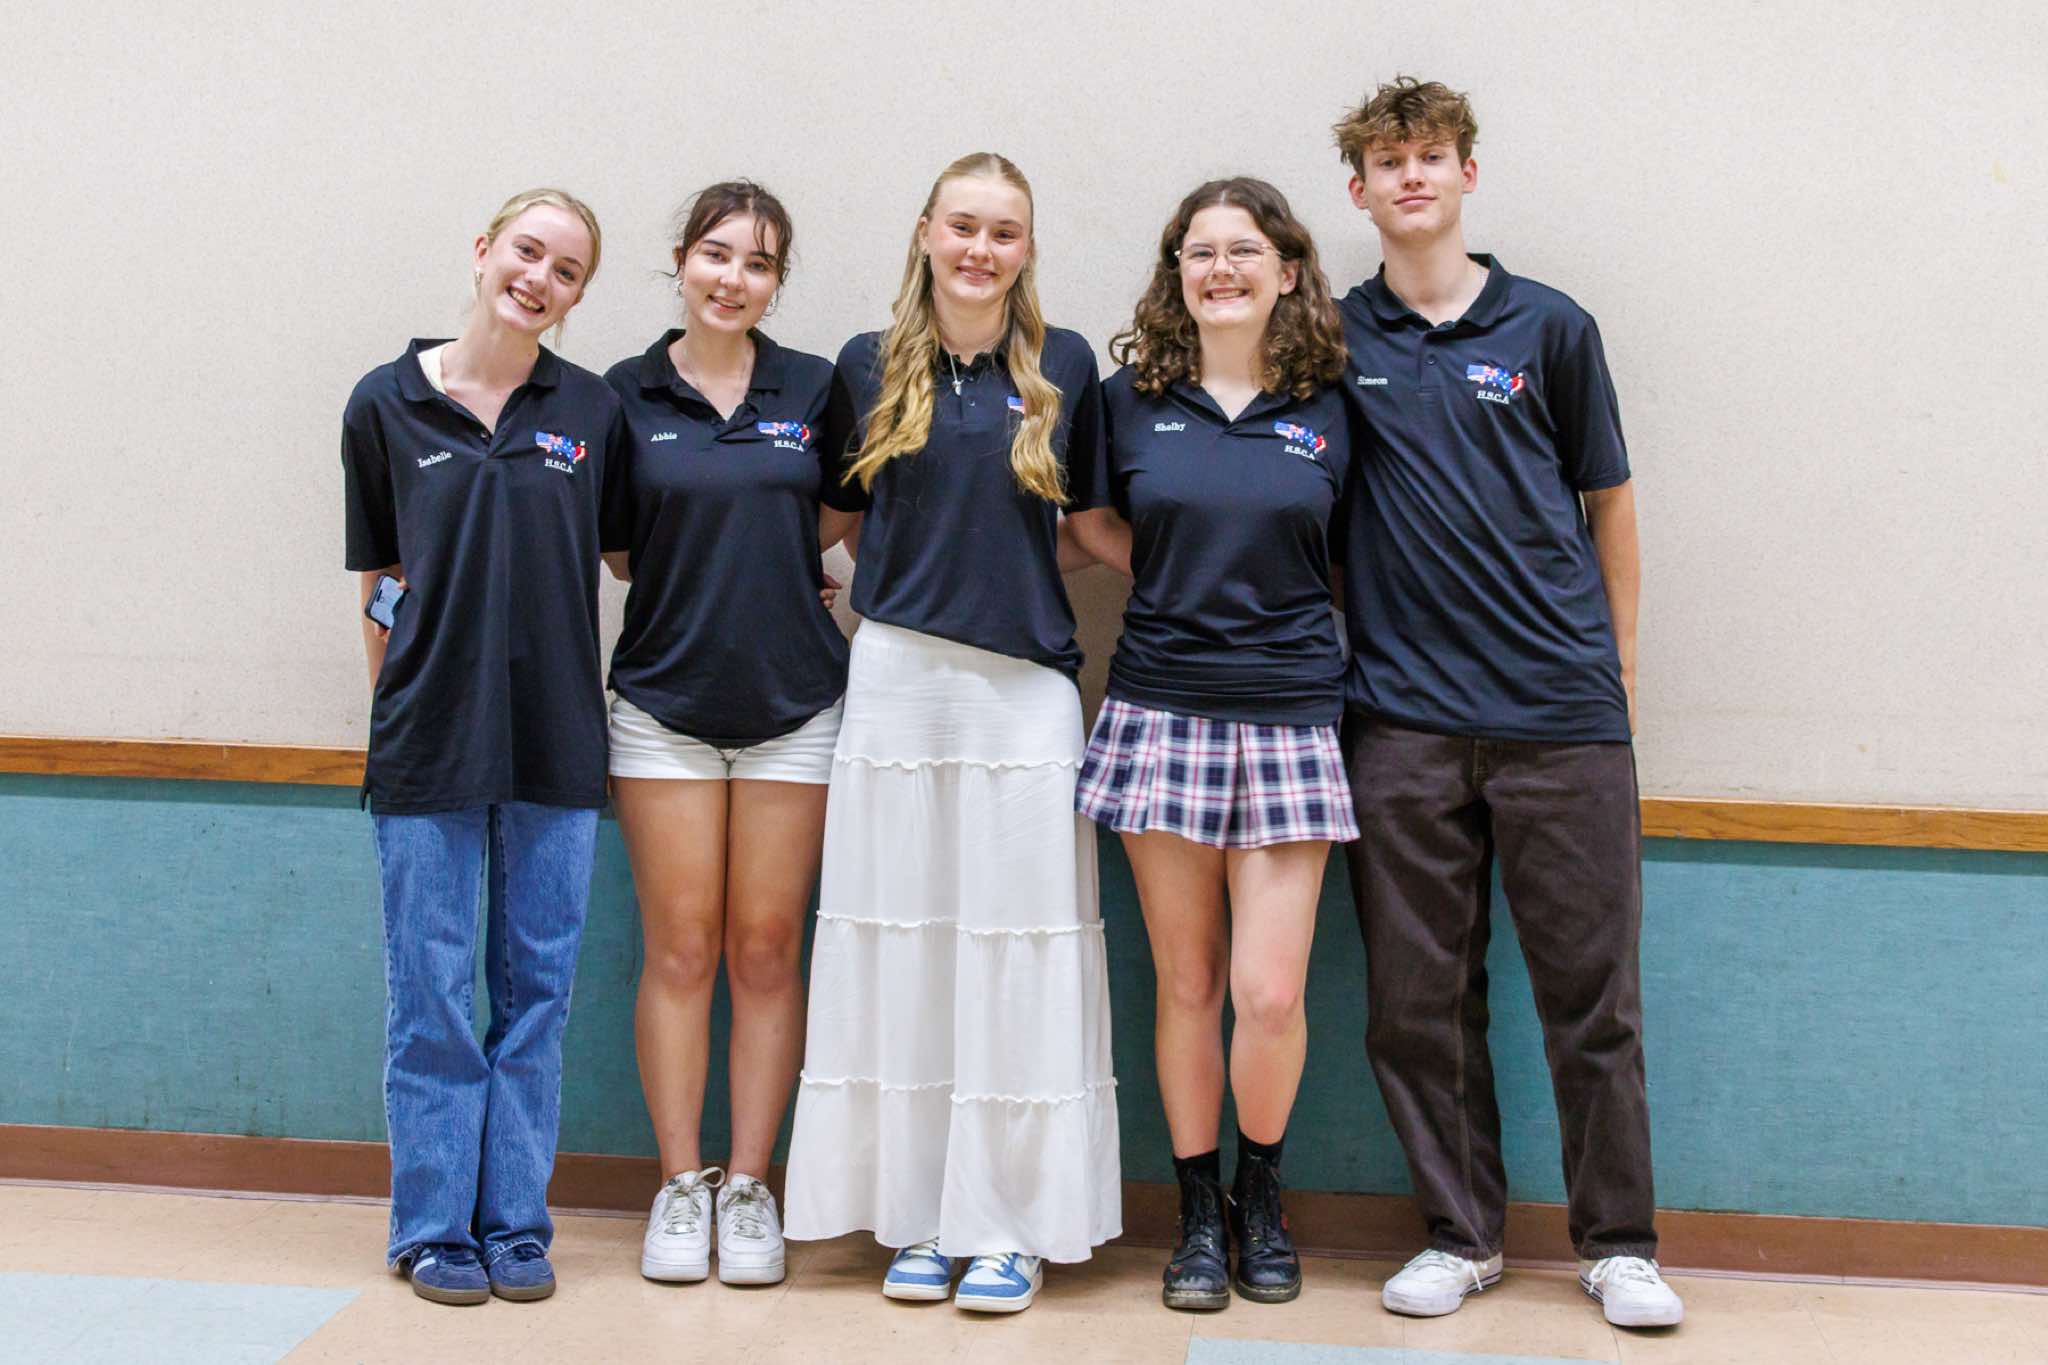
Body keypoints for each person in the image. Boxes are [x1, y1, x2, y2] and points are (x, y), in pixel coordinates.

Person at [1329, 78, 1683, 1328]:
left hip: (1560, 718)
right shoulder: (1331, 340)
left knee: (1593, 1001)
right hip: (1400, 723)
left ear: (1466, 174)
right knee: (1413, 1004)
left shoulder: (1550, 328)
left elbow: (1608, 499)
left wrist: (1616, 670)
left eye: (1431, 155)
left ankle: (1619, 1246)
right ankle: (1460, 1236)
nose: (1411, 176)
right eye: (1388, 161)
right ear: (1358, 190)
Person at [781, 151, 1120, 1315]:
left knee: (1016, 955)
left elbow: (1082, 528)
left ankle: (1009, 1226)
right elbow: (835, 516)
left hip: (1024, 693)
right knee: (908, 953)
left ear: (1026, 250)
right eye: (962, 226)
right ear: (926, 231)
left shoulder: (1064, 366)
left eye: (1003, 232)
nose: (980, 249)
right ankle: (921, 1215)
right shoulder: (863, 365)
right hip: (894, 684)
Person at [1065, 178, 1355, 1310]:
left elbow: (1361, 546)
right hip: (1160, 710)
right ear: (1175, 271)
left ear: (1287, 270)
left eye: (1244, 250)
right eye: (1199, 251)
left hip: (1291, 713)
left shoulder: (1336, 401)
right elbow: (1088, 521)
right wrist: (1174, 573)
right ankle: (1195, 1217)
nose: (1220, 268)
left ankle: (1259, 1200)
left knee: (1268, 993)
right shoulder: (1126, 400)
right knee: (1185, 982)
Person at [340, 187, 629, 1306]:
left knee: (537, 993)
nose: (538, 279)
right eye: (527, 251)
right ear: (482, 250)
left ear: (576, 296)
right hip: (427, 743)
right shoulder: (384, 403)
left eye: (566, 271)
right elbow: (379, 581)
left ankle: (513, 1223)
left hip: (556, 739)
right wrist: (396, 710)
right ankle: (431, 1229)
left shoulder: (591, 411)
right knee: (431, 993)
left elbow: (631, 557)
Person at [600, 182, 860, 1289]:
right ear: (681, 260)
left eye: (757, 263)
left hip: (795, 709)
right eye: (715, 254)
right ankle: (680, 1183)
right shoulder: (623, 393)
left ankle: (750, 1183)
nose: (732, 278)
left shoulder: (815, 386)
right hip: (663, 709)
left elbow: (837, 514)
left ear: (775, 282)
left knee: (763, 949)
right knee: (679, 949)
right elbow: (621, 551)